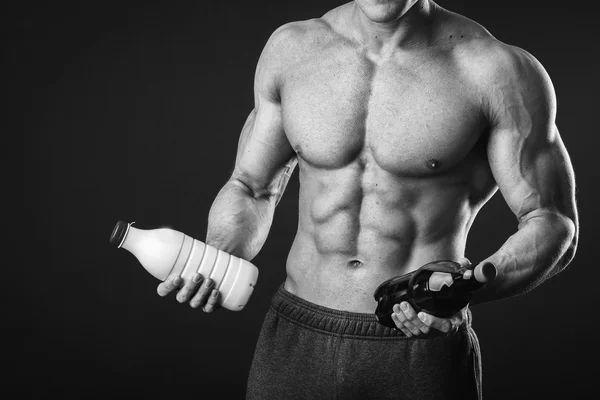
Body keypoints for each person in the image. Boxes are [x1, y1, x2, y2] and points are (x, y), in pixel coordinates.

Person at [156, 1, 578, 399]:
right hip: (297, 337)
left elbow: (551, 219)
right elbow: (251, 186)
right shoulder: (292, 50)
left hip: (419, 343)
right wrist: (215, 258)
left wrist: (468, 288)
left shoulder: (496, 71)